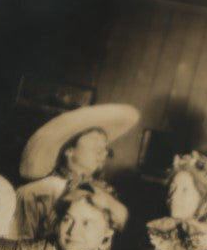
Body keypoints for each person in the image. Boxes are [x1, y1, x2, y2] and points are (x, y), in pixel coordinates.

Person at [11, 103, 139, 240]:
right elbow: (17, 246)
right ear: (69, 150)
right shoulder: (36, 192)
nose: (103, 152)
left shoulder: (105, 193)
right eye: (95, 141)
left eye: (105, 147)